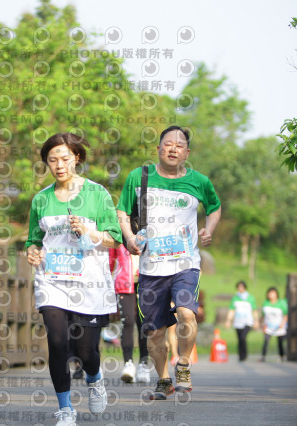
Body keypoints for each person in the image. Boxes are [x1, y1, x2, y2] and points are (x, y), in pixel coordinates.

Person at [117, 125, 222, 400]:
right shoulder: (138, 178)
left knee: (187, 313)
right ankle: (164, 379)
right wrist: (129, 237)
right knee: (155, 332)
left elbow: (214, 206)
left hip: (185, 263)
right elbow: (122, 212)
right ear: (159, 149)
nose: (173, 148)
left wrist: (208, 229)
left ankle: (184, 364)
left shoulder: (199, 181)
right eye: (168, 144)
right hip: (151, 267)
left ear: (187, 152)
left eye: (179, 145)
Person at [26, 133, 122, 426]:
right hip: (52, 281)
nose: (59, 165)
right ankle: (66, 409)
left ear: (77, 158)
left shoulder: (97, 194)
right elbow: (33, 240)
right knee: (57, 342)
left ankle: (95, 378)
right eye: (52, 160)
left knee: (85, 352)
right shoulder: (41, 199)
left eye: (65, 158)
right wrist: (32, 253)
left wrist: (89, 233)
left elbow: (114, 239)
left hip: (89, 284)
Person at [109, 246, 150, 383]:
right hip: (124, 281)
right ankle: (128, 363)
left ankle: (143, 364)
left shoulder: (150, 227)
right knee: (127, 320)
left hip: (147, 280)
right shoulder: (119, 229)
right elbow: (110, 258)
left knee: (144, 323)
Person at [225, 280, 259, 362]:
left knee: (243, 337)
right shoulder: (235, 298)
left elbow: (254, 310)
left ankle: (244, 355)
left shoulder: (250, 298)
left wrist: (256, 321)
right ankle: (241, 356)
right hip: (238, 322)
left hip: (247, 322)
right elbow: (231, 310)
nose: (240, 288)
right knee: (239, 339)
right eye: (239, 287)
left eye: (242, 287)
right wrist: (228, 320)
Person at [260, 286, 288, 362]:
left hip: (279, 326)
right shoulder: (266, 303)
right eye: (270, 293)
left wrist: (282, 323)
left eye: (273, 293)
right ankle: (263, 356)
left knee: (280, 342)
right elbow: (263, 315)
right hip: (268, 325)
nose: (271, 295)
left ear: (276, 294)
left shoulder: (281, 303)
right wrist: (262, 324)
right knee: (266, 341)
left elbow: (285, 315)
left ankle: (281, 356)